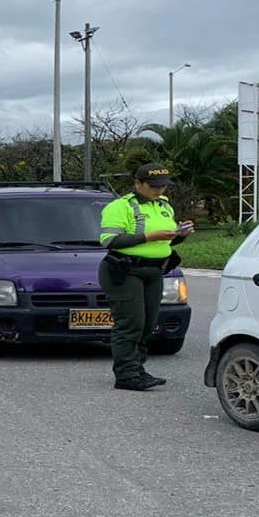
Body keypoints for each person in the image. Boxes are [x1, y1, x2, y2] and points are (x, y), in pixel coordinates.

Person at [98, 163, 194, 391]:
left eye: (163, 186)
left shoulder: (164, 206)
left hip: (154, 271)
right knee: (131, 324)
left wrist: (179, 234)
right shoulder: (120, 207)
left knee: (148, 325)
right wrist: (148, 237)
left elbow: (165, 241)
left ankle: (138, 369)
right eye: (153, 186)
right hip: (126, 271)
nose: (159, 190)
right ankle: (126, 375)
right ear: (138, 183)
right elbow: (110, 240)